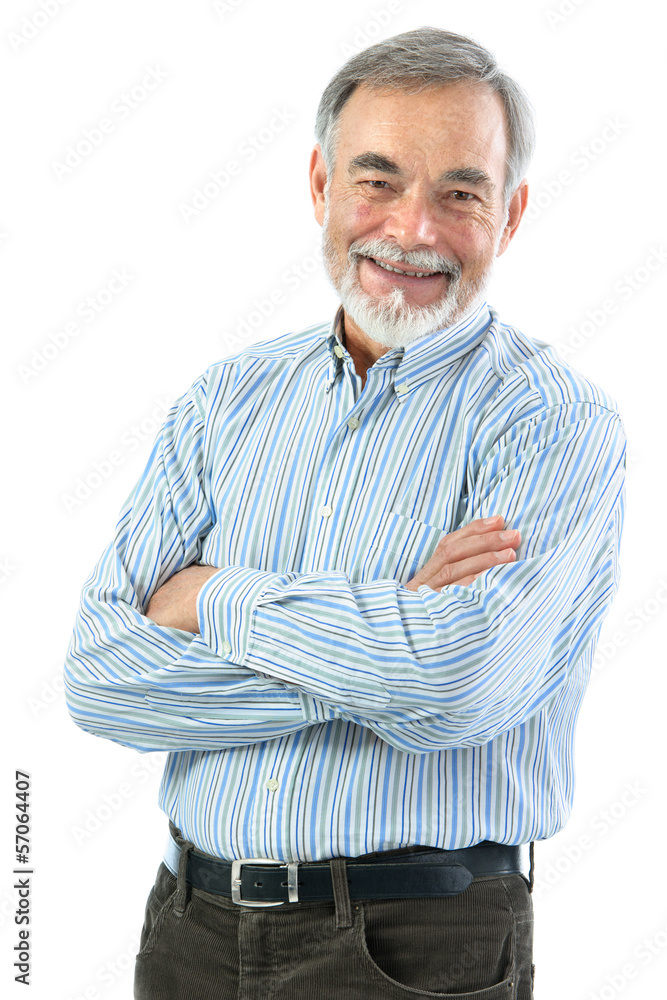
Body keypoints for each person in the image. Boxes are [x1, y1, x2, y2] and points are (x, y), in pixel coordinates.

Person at [64, 27, 625, 999]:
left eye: (459, 192)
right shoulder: (224, 400)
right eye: (377, 181)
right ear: (320, 186)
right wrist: (385, 635)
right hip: (188, 928)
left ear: (513, 212)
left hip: (413, 947)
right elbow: (99, 678)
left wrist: (215, 598)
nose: (411, 231)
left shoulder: (557, 424)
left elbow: (459, 684)